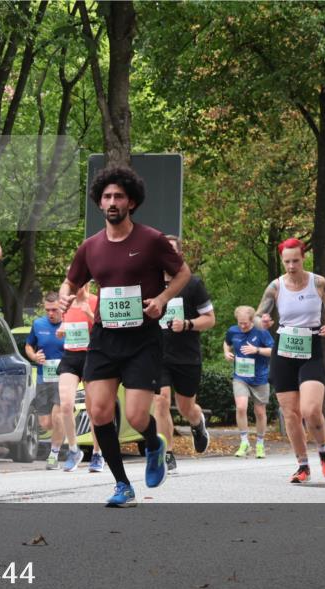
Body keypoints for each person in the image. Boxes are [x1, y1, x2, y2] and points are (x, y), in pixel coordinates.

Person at [58, 166, 192, 507]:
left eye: (119, 196)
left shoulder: (151, 240)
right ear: (99, 203)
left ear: (130, 202)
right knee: (100, 411)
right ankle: (122, 485)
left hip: (143, 338)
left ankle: (153, 443)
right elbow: (71, 282)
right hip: (105, 337)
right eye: (106, 197)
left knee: (134, 415)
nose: (112, 202)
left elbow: (182, 272)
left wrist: (161, 299)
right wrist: (64, 295)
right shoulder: (90, 247)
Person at [256, 238, 325, 484]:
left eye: (295, 261)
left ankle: (323, 452)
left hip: (311, 346)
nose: (291, 266)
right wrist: (264, 321)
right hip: (284, 348)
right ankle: (302, 466)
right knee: (290, 413)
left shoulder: (318, 282)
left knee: (311, 410)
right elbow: (260, 314)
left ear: (303, 258)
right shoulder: (276, 286)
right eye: (287, 261)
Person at [153, 235, 215, 472]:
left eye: (171, 251)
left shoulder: (193, 284)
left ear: (179, 256)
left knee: (186, 407)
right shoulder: (151, 284)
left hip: (187, 355)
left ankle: (198, 424)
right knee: (160, 401)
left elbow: (210, 320)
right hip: (157, 354)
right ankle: (167, 453)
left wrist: (187, 324)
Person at [55, 283, 101, 472]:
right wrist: (61, 330)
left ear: (87, 283)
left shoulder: (96, 301)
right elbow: (64, 326)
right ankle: (74, 450)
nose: (74, 287)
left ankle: (98, 454)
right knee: (66, 405)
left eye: (78, 283)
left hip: (91, 356)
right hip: (70, 356)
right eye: (71, 282)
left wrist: (89, 312)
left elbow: (104, 328)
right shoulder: (66, 303)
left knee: (93, 410)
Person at [25, 293, 68, 470]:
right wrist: (34, 356)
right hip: (44, 377)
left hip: (64, 377)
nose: (51, 313)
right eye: (48, 310)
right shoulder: (38, 324)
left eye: (54, 310)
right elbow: (28, 345)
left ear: (61, 309)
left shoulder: (68, 325)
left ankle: (54, 454)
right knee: (45, 423)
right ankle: (64, 428)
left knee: (58, 416)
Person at [224, 307, 273, 457]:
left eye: (245, 323)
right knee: (241, 407)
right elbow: (226, 342)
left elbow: (274, 350)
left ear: (252, 320)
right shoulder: (233, 331)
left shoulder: (261, 332)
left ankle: (260, 443)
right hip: (240, 376)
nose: (242, 326)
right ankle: (244, 442)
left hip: (260, 377)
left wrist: (257, 350)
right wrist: (226, 352)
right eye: (240, 323)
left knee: (259, 412)